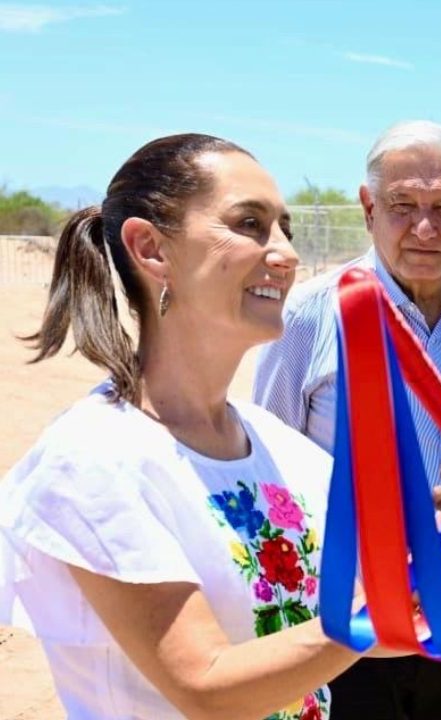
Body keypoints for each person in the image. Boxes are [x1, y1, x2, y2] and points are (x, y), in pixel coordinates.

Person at [0, 134, 409, 720]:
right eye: (250, 223)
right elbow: (205, 686)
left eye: (285, 228)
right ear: (151, 249)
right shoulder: (95, 459)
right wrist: (387, 610)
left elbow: (362, 612)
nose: (286, 254)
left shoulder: (279, 446)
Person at [254, 120, 441, 720]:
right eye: (403, 205)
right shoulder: (307, 317)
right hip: (344, 629)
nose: (424, 228)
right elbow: (266, 467)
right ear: (367, 207)